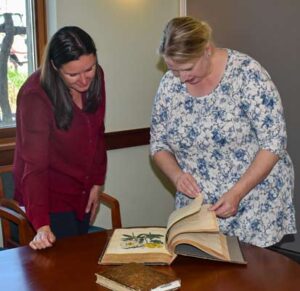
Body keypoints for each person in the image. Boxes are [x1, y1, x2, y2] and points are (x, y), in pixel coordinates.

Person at [150, 16, 296, 247]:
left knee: (253, 278)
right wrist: (177, 176)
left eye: (187, 68)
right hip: (199, 207)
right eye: (173, 69)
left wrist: (237, 192)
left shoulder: (247, 74)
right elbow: (158, 144)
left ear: (207, 49)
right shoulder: (170, 84)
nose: (182, 78)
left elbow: (273, 142)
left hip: (252, 199)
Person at [13, 26, 107, 250]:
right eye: (73, 74)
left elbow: (97, 133)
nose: (84, 80)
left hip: (82, 189)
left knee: (83, 262)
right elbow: (34, 166)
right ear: (55, 67)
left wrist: (97, 181)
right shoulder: (35, 95)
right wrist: (42, 224)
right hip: (49, 196)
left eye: (89, 69)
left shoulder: (97, 77)